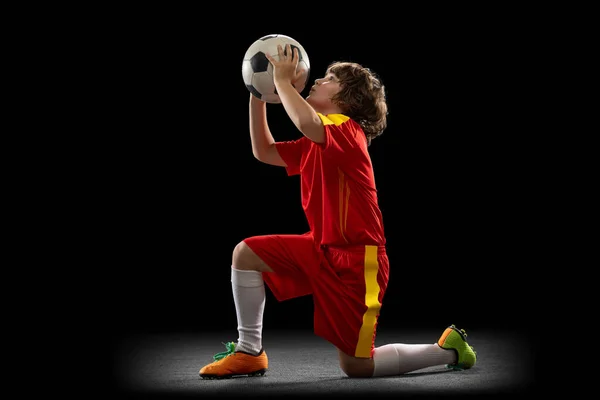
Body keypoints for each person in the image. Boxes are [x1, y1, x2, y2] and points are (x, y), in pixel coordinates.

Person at [199, 44, 476, 379]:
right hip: (321, 248)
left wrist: (284, 82)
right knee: (246, 253)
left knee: (357, 366)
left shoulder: (346, 130)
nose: (317, 79)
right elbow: (264, 151)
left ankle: (447, 349)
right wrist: (259, 93)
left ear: (348, 99)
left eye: (330, 78)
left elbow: (304, 121)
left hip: (360, 260)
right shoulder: (317, 139)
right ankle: (249, 351)